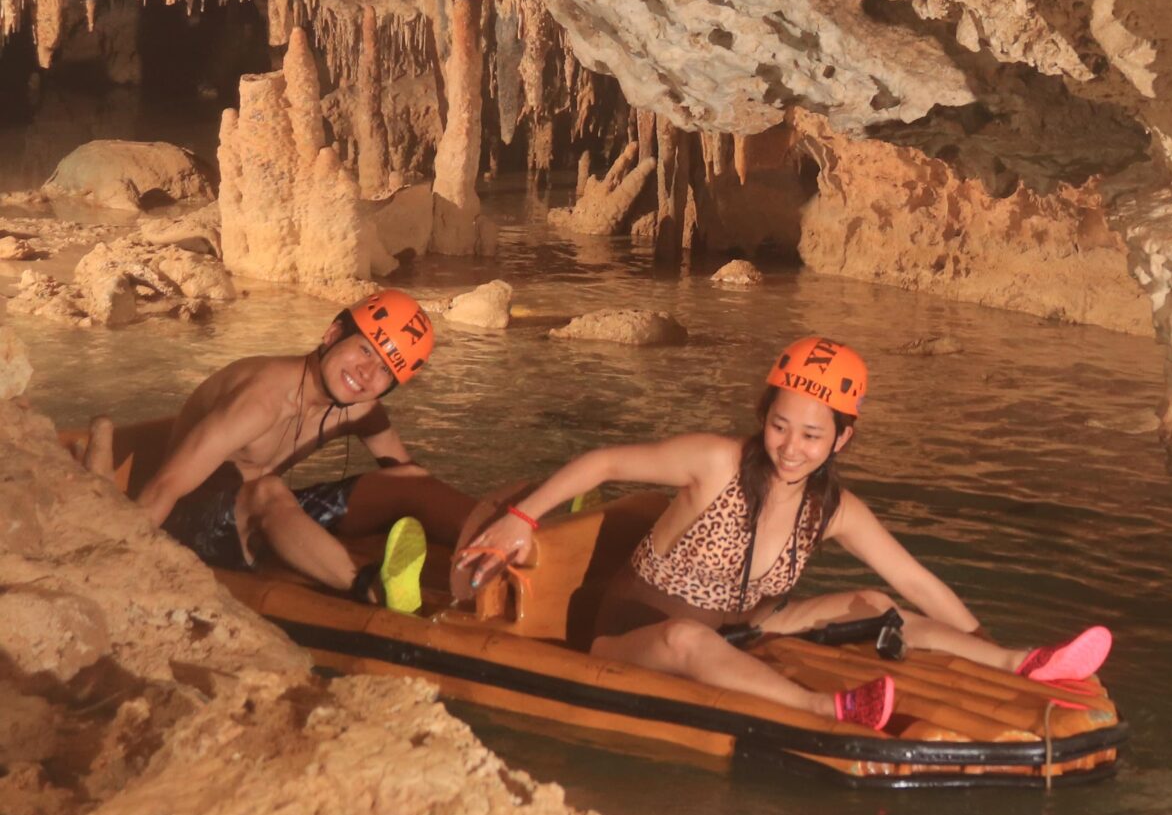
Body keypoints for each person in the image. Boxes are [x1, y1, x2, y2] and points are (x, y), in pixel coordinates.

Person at [456, 334, 1112, 730]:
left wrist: (979, 642)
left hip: (747, 628)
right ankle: (826, 709)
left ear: (842, 438)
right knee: (686, 636)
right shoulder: (715, 462)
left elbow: (911, 577)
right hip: (634, 638)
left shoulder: (834, 508)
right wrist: (523, 517)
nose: (790, 447)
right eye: (779, 425)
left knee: (875, 604)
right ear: (763, 413)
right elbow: (604, 461)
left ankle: (1022, 661)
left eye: (811, 434)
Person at [134, 287, 479, 612]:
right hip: (190, 530)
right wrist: (127, 559)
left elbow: (408, 476)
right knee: (269, 490)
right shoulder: (261, 400)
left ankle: (492, 552)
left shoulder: (359, 406)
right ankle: (371, 586)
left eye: (386, 371)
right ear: (333, 334)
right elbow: (166, 486)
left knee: (410, 480)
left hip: (262, 519)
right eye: (365, 350)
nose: (367, 372)